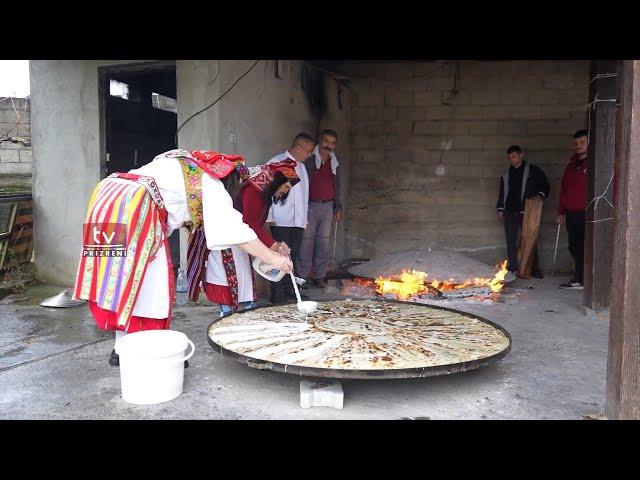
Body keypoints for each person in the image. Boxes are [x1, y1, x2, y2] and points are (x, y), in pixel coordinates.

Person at [73, 149, 292, 366]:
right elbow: (234, 229)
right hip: (137, 204)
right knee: (151, 284)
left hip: (108, 197)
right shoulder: (211, 184)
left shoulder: (182, 161)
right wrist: (274, 259)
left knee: (118, 280)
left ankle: (121, 349)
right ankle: (153, 350)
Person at [202, 160, 301, 316]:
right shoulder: (254, 190)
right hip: (229, 235)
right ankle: (226, 314)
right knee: (227, 276)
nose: (286, 192)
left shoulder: (264, 193)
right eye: (286, 187)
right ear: (278, 182)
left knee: (243, 277)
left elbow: (258, 224)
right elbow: (250, 223)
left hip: (241, 237)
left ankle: (246, 311)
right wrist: (273, 245)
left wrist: (275, 244)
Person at [265, 133, 315, 304]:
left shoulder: (301, 167)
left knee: (293, 257)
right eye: (308, 151)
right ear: (299, 147)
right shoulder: (276, 163)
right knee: (279, 256)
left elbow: (304, 196)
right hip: (280, 220)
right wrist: (269, 216)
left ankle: (290, 290)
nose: (310, 155)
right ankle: (276, 294)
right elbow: (267, 191)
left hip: (297, 222)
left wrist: (304, 220)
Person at [297, 129, 343, 289]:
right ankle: (302, 277)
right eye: (326, 141)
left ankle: (319, 276)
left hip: (328, 206)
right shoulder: (309, 160)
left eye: (332, 143)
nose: (328, 146)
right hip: (310, 205)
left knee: (323, 244)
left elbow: (337, 186)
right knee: (306, 244)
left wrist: (339, 207)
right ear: (320, 141)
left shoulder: (334, 162)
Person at [497, 145, 550, 280]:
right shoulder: (506, 175)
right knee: (510, 241)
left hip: (527, 211)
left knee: (530, 239)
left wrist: (540, 195)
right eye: (509, 158)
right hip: (510, 212)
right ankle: (513, 268)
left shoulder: (533, 171)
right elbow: (503, 193)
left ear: (521, 155)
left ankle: (533, 269)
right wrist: (500, 209)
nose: (511, 160)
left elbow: (545, 185)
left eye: (514, 156)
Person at [557, 130, 588, 289]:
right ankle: (579, 278)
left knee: (589, 246)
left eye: (582, 142)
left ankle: (591, 279)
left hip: (590, 213)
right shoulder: (570, 166)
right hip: (572, 214)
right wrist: (561, 212)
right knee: (574, 246)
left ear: (590, 143)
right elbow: (564, 189)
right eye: (576, 143)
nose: (578, 146)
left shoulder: (596, 163)